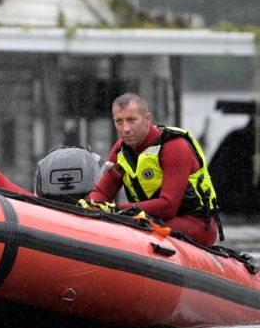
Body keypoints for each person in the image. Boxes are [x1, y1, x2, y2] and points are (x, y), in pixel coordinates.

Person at [84, 92, 222, 246]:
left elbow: (168, 206)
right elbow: (103, 192)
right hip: (147, 218)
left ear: (147, 119)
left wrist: (115, 209)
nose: (125, 129)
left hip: (195, 223)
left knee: (133, 226)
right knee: (125, 223)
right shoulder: (120, 150)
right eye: (119, 121)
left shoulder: (174, 147)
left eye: (131, 120)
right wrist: (89, 205)